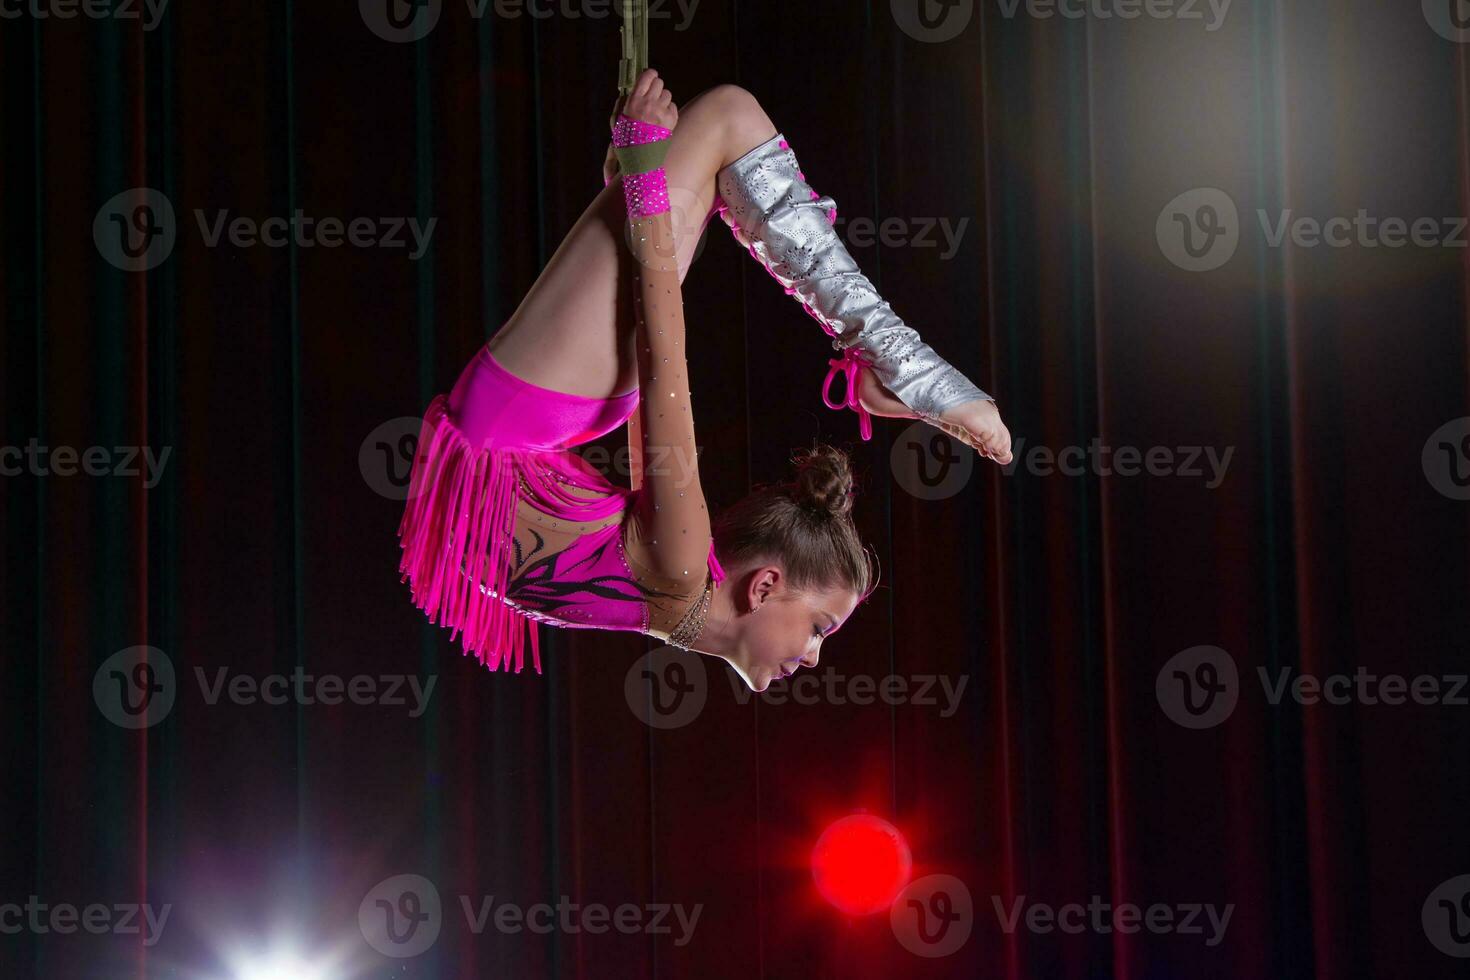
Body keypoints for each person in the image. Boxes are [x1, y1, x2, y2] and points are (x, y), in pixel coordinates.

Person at [397, 71, 1011, 693]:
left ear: (765, 587)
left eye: (822, 629)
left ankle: (901, 367)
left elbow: (656, 370)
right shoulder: (681, 569)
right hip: (521, 420)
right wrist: (639, 183)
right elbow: (661, 353)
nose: (815, 657)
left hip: (516, 423)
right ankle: (902, 367)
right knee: (725, 125)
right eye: (820, 628)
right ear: (765, 584)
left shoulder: (675, 580)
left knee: (726, 120)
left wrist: (634, 183)